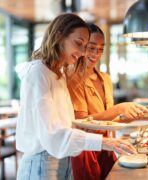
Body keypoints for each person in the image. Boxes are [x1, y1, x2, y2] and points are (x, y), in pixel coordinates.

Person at [15, 14, 136, 180]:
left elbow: (69, 126)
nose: (82, 52)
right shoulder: (37, 73)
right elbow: (53, 134)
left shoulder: (59, 73)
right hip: (42, 163)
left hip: (65, 159)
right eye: (79, 43)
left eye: (84, 46)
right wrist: (104, 142)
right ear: (59, 35)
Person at [67, 23, 148, 180]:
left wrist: (131, 115)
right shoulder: (73, 79)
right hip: (86, 150)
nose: (96, 54)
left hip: (108, 146)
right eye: (92, 48)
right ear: (83, 47)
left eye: (100, 49)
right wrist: (119, 109)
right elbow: (82, 122)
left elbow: (109, 121)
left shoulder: (105, 78)